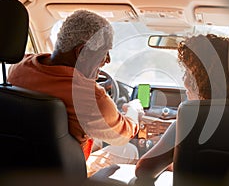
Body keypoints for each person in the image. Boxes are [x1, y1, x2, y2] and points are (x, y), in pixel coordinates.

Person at [7, 10, 143, 176]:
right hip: (66, 176)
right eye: (105, 52)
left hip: (15, 166)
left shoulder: (19, 66)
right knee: (129, 150)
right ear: (81, 52)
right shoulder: (90, 96)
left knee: (97, 139)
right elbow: (123, 136)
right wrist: (134, 111)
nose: (108, 60)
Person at [133, 34, 229, 184]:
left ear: (202, 80)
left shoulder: (192, 118)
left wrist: (172, 162)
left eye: (188, 73)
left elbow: (143, 170)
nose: (184, 80)